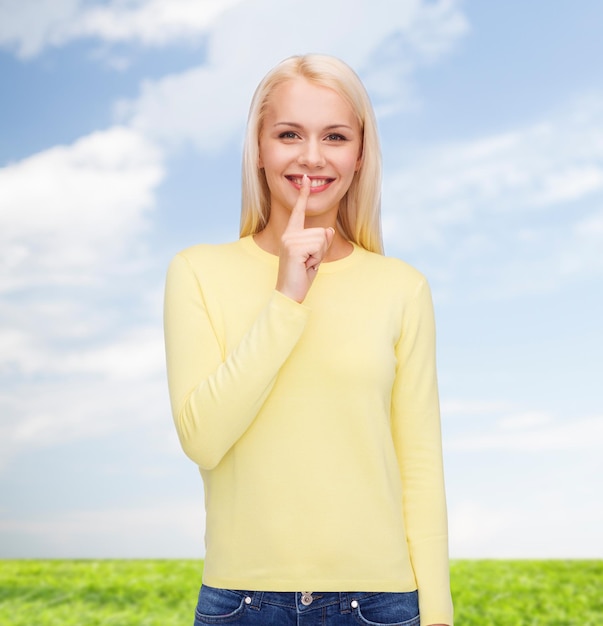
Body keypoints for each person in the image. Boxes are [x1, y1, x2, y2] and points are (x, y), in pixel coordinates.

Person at [164, 54, 453, 626]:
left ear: (360, 154)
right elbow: (203, 439)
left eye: (336, 136)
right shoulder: (196, 272)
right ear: (259, 149)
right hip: (240, 605)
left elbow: (419, 466)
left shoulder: (402, 287)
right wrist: (286, 299)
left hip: (378, 605)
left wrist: (438, 614)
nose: (312, 157)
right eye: (290, 134)